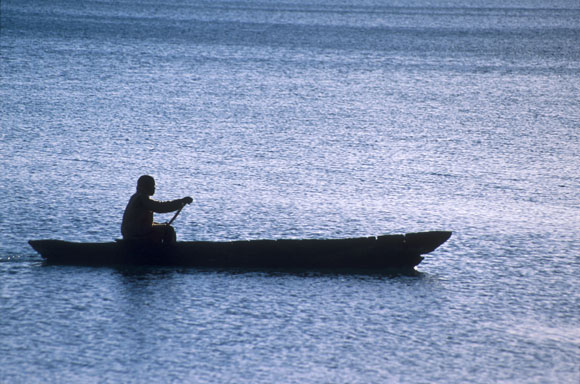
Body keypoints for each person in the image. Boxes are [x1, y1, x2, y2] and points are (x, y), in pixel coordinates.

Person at [121, 175, 192, 244]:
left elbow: (143, 224)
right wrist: (181, 202)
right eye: (153, 186)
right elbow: (161, 207)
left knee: (163, 226)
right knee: (169, 230)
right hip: (137, 235)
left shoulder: (135, 197)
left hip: (132, 233)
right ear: (146, 186)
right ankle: (169, 254)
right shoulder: (142, 199)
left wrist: (159, 225)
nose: (154, 188)